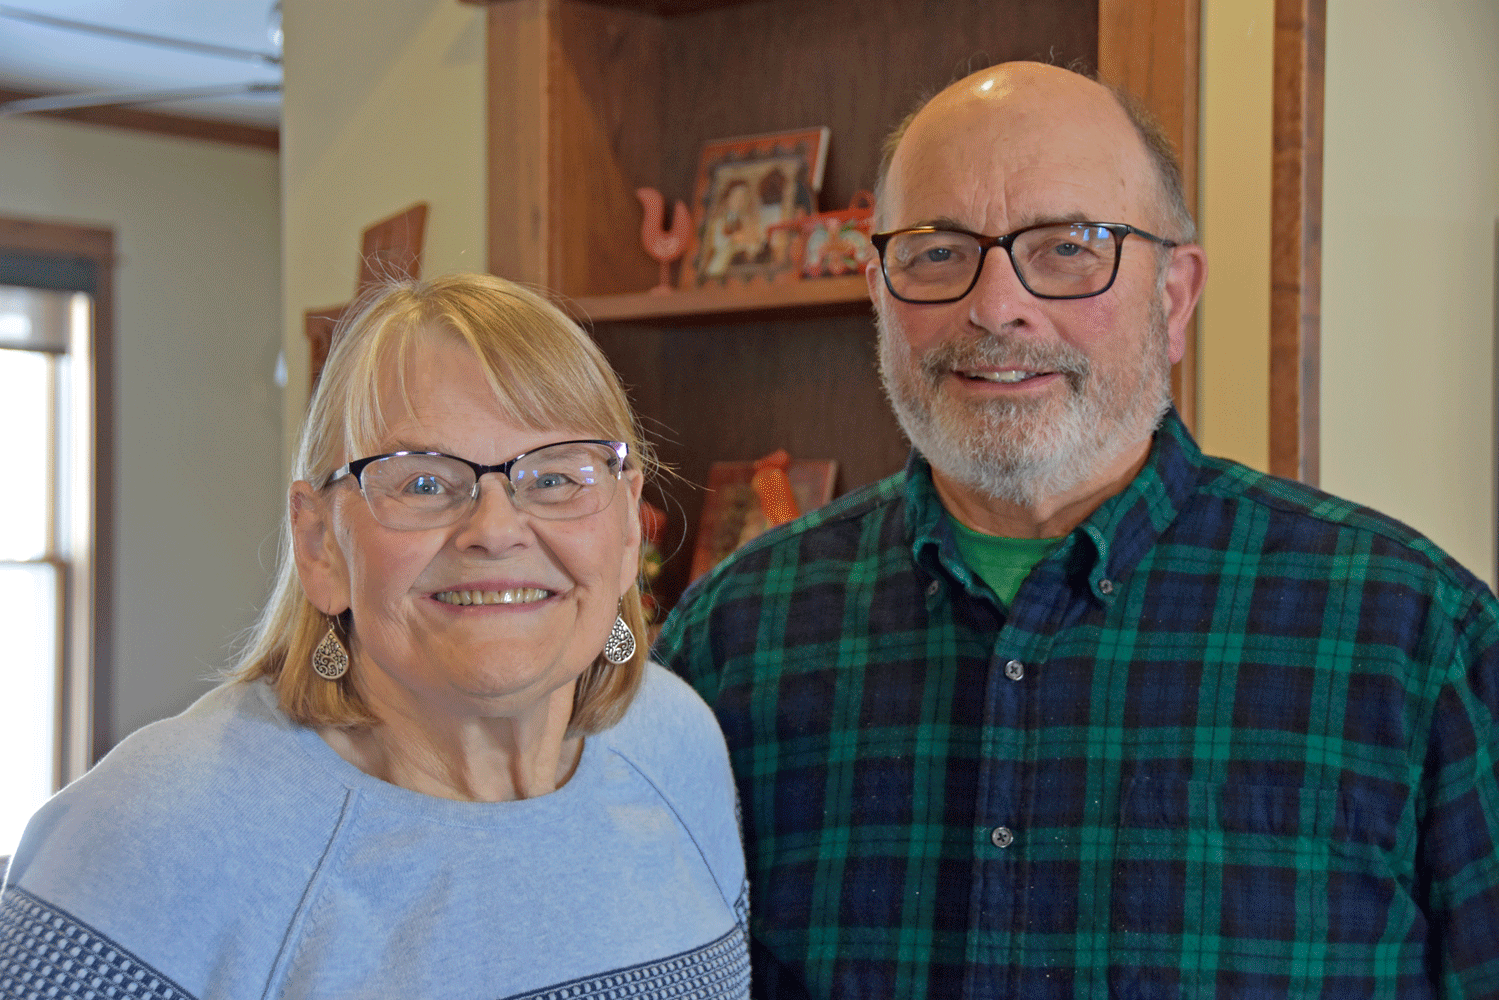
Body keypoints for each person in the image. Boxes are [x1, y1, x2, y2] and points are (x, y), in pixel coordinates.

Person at [656, 61, 1499, 999]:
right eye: (936, 252)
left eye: (1067, 247)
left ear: (1173, 297)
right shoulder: (734, 637)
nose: (995, 305)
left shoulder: (1414, 638)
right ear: (878, 293)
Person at [1, 273, 749, 999]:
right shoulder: (156, 834)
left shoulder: (676, 741)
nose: (494, 529)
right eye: (422, 482)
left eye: (555, 477)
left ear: (626, 528)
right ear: (319, 544)